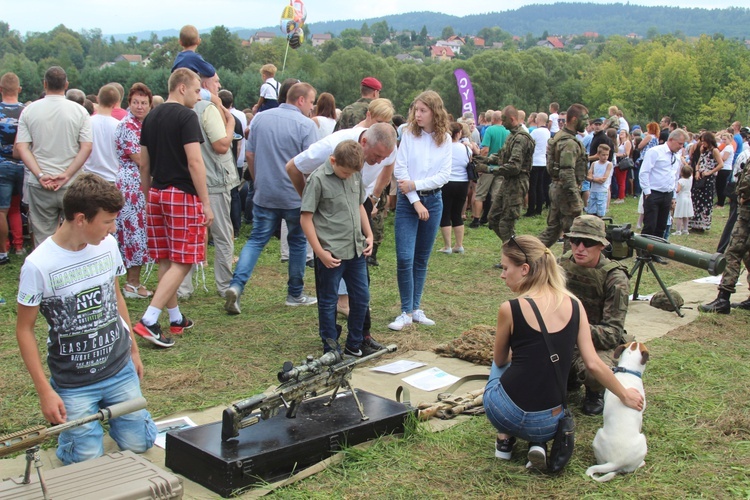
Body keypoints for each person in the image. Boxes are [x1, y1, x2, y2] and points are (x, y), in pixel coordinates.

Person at [15, 173, 157, 465]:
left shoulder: (107, 246)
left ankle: (110, 425)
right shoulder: (38, 265)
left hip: (118, 368)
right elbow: (24, 330)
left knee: (141, 444)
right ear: (81, 219)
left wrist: (133, 350)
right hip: (73, 381)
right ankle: (75, 439)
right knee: (86, 461)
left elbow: (115, 297)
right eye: (107, 221)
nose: (113, 228)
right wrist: (45, 391)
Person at [483, 234, 643, 471]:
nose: (502, 274)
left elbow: (499, 360)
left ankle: (505, 438)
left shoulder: (510, 308)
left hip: (503, 413)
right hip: (548, 424)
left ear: (525, 269)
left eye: (506, 268)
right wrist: (624, 394)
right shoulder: (574, 305)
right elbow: (593, 363)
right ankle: (537, 442)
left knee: (498, 366)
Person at [133, 68, 214, 348]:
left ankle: (175, 317)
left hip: (155, 192)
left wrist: (146, 198)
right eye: (195, 91)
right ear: (182, 88)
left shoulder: (151, 116)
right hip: (182, 194)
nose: (197, 96)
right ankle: (149, 320)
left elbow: (144, 164)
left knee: (166, 259)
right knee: (184, 259)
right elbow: (195, 162)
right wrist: (206, 203)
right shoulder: (186, 116)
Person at [224, 82, 318, 315]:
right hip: (295, 195)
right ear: (300, 100)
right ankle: (295, 293)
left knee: (256, 240)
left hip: (265, 192)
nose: (312, 107)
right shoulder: (306, 125)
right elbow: (311, 164)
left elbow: (249, 154)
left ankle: (236, 285)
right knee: (297, 242)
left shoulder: (260, 119)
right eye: (311, 101)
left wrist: (258, 181)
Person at [300, 140, 376, 356]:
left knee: (361, 297)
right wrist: (320, 252)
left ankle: (354, 344)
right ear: (333, 161)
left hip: (355, 250)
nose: (347, 176)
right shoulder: (317, 180)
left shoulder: (354, 174)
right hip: (331, 253)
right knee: (328, 300)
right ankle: (330, 347)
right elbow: (306, 219)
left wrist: (368, 234)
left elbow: (359, 205)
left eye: (351, 173)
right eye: (344, 172)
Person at [388, 90, 451, 331]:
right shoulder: (406, 133)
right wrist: (415, 199)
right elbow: (400, 170)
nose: (418, 114)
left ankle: (415, 308)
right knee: (405, 257)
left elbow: (444, 175)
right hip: (408, 202)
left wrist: (417, 185)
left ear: (435, 112)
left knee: (421, 259)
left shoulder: (444, 139)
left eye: (423, 110)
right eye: (416, 109)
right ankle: (405, 311)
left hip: (433, 201)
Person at [558, 216, 631, 415]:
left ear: (601, 245)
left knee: (594, 372)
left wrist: (573, 328)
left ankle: (595, 391)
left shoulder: (614, 278)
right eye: (575, 241)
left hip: (594, 341)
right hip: (561, 336)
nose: (580, 248)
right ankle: (568, 378)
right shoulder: (559, 267)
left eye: (588, 243)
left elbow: (612, 334)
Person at [16, 66, 92, 247]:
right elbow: (86, 147)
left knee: (43, 238)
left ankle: (47, 273)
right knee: (77, 234)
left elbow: (22, 147)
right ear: (66, 85)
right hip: (72, 183)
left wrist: (40, 174)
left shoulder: (29, 110)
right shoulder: (79, 111)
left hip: (40, 183)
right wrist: (67, 174)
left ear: (45, 84)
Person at [115, 82, 153, 299]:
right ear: (129, 103)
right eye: (136, 102)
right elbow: (140, 159)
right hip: (131, 186)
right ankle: (131, 283)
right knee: (133, 234)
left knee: (139, 234)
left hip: (140, 183)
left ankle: (134, 282)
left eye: (144, 103)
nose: (140, 106)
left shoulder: (143, 124)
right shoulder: (127, 126)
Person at [699, 151, 750, 314]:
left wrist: (742, 194)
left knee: (733, 253)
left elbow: (746, 183)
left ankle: (723, 298)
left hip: (747, 214)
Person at [537, 104, 589, 253]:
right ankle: (568, 266)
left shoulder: (560, 137)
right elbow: (567, 173)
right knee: (572, 232)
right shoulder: (569, 143)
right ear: (574, 119)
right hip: (565, 191)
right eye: (584, 119)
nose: (587, 123)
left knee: (553, 230)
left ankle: (526, 254)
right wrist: (575, 199)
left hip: (557, 188)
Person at [486, 105, 535, 245]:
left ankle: (515, 256)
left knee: (507, 223)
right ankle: (512, 249)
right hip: (508, 182)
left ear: (512, 119)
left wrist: (490, 170)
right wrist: (487, 160)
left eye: (504, 119)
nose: (502, 122)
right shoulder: (512, 136)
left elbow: (514, 167)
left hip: (517, 183)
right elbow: (503, 156)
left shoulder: (521, 138)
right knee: (493, 218)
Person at [639, 129, 688, 263]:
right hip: (653, 193)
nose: (681, 147)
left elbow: (674, 176)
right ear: (671, 140)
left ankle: (656, 252)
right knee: (650, 224)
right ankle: (644, 251)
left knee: (661, 225)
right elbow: (644, 172)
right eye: (680, 143)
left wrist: (673, 196)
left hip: (667, 194)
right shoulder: (655, 152)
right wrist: (647, 192)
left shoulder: (676, 156)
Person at [0, 72, 25, 263]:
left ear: (1, 89)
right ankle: (19, 246)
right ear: (19, 90)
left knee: (2, 210)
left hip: (2, 165)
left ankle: (4, 249)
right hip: (23, 165)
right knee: (17, 207)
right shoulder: (26, 111)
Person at [470, 110, 508, 228]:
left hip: (489, 167)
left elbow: (485, 149)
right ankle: (493, 220)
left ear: (493, 119)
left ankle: (476, 219)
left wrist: (482, 164)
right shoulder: (507, 131)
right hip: (501, 167)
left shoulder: (490, 130)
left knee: (480, 194)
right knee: (496, 195)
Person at [437, 122, 471, 254]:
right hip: (462, 183)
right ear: (459, 133)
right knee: (457, 214)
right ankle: (459, 244)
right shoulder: (466, 148)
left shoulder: (443, 148)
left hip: (447, 182)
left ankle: (447, 246)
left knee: (445, 213)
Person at [84, 84, 121, 183]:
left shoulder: (86, 122)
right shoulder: (120, 126)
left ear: (97, 99)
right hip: (112, 178)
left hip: (88, 178)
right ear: (115, 103)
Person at [688, 132, 723, 232]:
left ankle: (703, 224)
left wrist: (710, 172)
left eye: (704, 141)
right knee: (695, 198)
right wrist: (697, 171)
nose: (702, 143)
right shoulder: (703, 150)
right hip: (700, 176)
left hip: (708, 179)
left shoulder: (714, 151)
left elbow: (721, 164)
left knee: (705, 201)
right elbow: (699, 162)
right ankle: (694, 222)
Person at [526, 112, 550, 217]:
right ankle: (539, 208)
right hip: (543, 161)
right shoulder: (547, 132)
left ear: (538, 119)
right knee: (540, 186)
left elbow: (528, 143)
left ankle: (531, 209)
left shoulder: (536, 132)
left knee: (532, 186)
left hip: (534, 161)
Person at [586, 144, 614, 217]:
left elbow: (603, 180)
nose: (605, 157)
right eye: (603, 155)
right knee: (590, 209)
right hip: (593, 190)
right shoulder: (594, 164)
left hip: (602, 190)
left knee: (600, 210)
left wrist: (592, 179)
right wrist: (595, 179)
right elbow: (588, 176)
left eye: (607, 155)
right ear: (598, 154)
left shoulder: (609, 164)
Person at [673, 164, 694, 236]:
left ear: (681, 173)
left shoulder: (681, 181)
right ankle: (685, 229)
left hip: (682, 198)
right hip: (688, 198)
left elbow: (678, 190)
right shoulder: (690, 179)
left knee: (679, 215)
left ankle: (678, 230)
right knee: (686, 215)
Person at [613, 129, 632, 204]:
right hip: (618, 163)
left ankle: (621, 197)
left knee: (621, 180)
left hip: (622, 163)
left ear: (626, 134)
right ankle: (619, 196)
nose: (621, 134)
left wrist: (617, 155)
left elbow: (627, 153)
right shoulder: (620, 143)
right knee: (618, 180)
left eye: (623, 133)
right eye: (620, 133)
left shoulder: (627, 142)